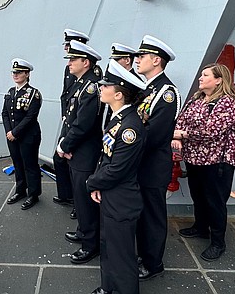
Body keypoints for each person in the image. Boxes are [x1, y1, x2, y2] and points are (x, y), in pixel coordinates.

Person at [87, 60, 147, 294]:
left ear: (119, 94)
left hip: (122, 199)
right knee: (108, 246)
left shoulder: (130, 128)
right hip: (111, 194)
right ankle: (108, 288)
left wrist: (91, 182)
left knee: (121, 255)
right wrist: (98, 185)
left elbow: (117, 169)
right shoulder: (118, 119)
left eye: (106, 86)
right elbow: (106, 158)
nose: (101, 88)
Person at [174, 63, 235, 262]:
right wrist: (179, 135)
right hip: (195, 158)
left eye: (205, 75)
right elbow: (181, 120)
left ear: (219, 80)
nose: (200, 78)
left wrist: (182, 134)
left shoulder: (227, 103)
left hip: (218, 160)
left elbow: (211, 131)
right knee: (198, 194)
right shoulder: (197, 99)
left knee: (215, 201)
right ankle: (201, 227)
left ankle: (218, 242)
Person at [133, 35, 180, 280]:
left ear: (156, 60)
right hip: (141, 164)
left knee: (152, 216)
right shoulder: (147, 89)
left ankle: (153, 264)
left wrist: (126, 145)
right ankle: (144, 254)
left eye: (142, 56)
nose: (137, 60)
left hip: (152, 166)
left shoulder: (166, 92)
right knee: (142, 214)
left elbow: (154, 134)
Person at [57, 40, 104, 264]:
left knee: (85, 200)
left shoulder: (91, 87)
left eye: (73, 59)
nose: (69, 63)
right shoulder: (79, 84)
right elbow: (70, 118)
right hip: (76, 150)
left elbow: (83, 124)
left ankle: (91, 244)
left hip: (84, 152)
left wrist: (65, 145)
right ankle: (84, 231)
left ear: (85, 62)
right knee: (79, 196)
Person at [53, 28, 91, 221]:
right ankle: (69, 197)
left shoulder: (91, 80)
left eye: (71, 50)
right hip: (70, 123)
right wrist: (64, 117)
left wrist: (67, 143)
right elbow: (66, 96)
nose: (68, 60)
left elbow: (85, 119)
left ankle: (79, 206)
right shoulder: (72, 72)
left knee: (80, 175)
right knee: (63, 162)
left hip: (79, 134)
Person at [1, 58, 43, 210]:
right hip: (12, 136)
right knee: (17, 164)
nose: (15, 75)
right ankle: (20, 190)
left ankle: (33, 194)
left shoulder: (34, 94)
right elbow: (5, 113)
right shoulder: (11, 92)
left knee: (30, 165)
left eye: (19, 72)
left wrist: (15, 132)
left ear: (27, 74)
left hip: (28, 136)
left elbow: (30, 117)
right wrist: (8, 132)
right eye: (14, 72)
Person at [103, 43, 140, 127]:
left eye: (116, 60)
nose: (113, 63)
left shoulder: (135, 83)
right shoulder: (114, 77)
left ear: (127, 60)